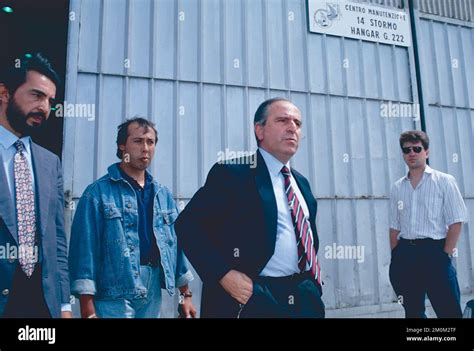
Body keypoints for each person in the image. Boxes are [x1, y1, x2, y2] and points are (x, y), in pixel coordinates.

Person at [175, 97, 325, 318]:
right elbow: (187, 226)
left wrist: (313, 285)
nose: (292, 128)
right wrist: (223, 274)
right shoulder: (233, 173)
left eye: (298, 123)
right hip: (253, 297)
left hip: (304, 297)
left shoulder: (301, 183)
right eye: (283, 120)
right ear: (259, 130)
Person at [69, 117, 196, 318]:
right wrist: (86, 305)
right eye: (138, 141)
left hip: (152, 288)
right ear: (122, 146)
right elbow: (84, 249)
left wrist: (185, 295)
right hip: (113, 291)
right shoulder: (97, 193)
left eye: (150, 142)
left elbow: (175, 249)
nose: (145, 148)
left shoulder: (162, 195)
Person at [0, 53, 71, 318]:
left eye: (51, 101)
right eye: (37, 95)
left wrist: (64, 305)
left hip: (42, 304)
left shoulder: (50, 162)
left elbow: (57, 241)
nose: (45, 107)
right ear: (5, 93)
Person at [389, 130, 468, 318]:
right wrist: (396, 256)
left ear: (427, 152)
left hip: (435, 253)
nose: (412, 153)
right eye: (407, 150)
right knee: (413, 312)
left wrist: (444, 254)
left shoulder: (444, 182)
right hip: (406, 254)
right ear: (403, 154)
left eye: (417, 148)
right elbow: (394, 226)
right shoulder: (397, 187)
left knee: (448, 311)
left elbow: (456, 221)